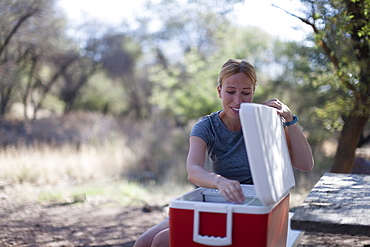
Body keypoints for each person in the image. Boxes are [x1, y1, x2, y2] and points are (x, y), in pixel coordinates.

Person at [133, 59, 314, 247]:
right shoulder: (207, 126)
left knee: (162, 241)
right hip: (218, 200)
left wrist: (290, 119)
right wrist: (220, 181)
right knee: (143, 243)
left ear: (253, 92)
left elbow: (306, 164)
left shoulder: (264, 122)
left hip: (255, 208)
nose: (238, 100)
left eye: (246, 93)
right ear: (219, 90)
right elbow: (193, 170)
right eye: (230, 92)